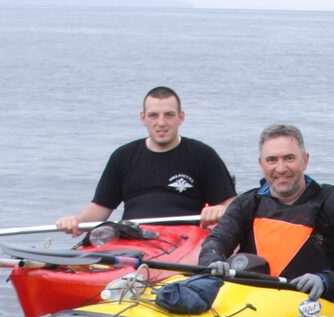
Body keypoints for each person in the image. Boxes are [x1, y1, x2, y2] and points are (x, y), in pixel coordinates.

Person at [196, 124, 334, 303]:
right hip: (250, 302)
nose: (281, 169)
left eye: (289, 158)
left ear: (305, 160)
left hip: (311, 305)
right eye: (272, 160)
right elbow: (215, 242)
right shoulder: (247, 203)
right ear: (261, 164)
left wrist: (325, 281)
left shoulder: (333, 205)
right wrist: (213, 261)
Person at [55, 86, 235, 235]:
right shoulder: (123, 157)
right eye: (154, 115)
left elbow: (233, 206)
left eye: (169, 115)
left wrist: (220, 209)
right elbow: (100, 210)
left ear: (181, 117)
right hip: (134, 237)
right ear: (143, 118)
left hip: (185, 242)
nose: (161, 122)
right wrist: (76, 222)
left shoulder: (203, 155)